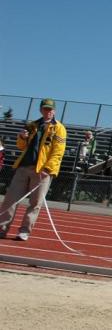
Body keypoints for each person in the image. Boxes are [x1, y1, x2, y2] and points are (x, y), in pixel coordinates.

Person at [0, 98, 67, 241]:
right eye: (45, 108)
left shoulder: (59, 128)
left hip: (42, 171)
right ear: (41, 110)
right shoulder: (32, 125)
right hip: (24, 167)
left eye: (50, 109)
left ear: (54, 111)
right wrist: (22, 137)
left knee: (35, 203)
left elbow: (58, 151)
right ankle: (2, 228)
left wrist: (48, 169)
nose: (47, 111)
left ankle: (24, 231)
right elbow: (22, 146)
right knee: (10, 199)